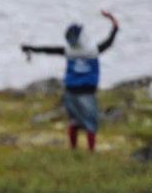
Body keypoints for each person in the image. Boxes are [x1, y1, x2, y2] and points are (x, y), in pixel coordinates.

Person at [21, 10, 120, 152]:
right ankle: (91, 152)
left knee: (74, 121)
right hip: (87, 91)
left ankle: (73, 149)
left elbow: (48, 50)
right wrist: (114, 24)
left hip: (70, 91)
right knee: (91, 123)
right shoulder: (94, 51)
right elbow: (109, 42)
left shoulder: (68, 51)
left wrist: (30, 48)